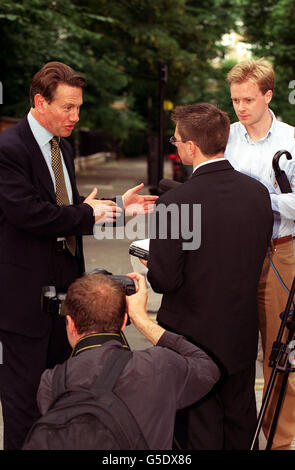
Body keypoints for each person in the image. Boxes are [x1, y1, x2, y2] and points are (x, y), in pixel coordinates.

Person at [0, 61, 157, 450]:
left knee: (61, 400)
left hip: (65, 296)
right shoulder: (9, 150)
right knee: (23, 405)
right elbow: (31, 214)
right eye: (68, 107)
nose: (76, 116)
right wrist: (87, 213)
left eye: (80, 107)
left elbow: (67, 211)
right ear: (40, 101)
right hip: (23, 303)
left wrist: (117, 206)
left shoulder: (63, 147)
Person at [144, 103, 274, 450]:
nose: (175, 146)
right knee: (239, 425)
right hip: (241, 336)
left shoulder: (174, 202)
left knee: (195, 434)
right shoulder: (258, 194)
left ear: (191, 147)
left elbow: (165, 280)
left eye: (176, 141)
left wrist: (152, 263)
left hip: (191, 340)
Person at [36, 271, 221, 450]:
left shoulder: (52, 383)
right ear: (125, 320)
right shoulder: (158, 366)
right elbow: (208, 369)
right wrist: (143, 320)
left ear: (70, 323)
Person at [225, 58, 295, 450]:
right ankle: (237, 440)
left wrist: (258, 200)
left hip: (278, 254)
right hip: (231, 256)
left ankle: (280, 443)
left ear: (268, 95)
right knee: (229, 349)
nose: (240, 107)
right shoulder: (226, 137)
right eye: (235, 99)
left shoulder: (292, 140)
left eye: (248, 99)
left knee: (278, 354)